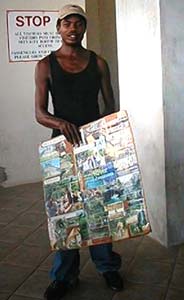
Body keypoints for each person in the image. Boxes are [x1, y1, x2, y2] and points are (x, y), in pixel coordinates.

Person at [35, 4, 123, 300]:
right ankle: (63, 276)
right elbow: (39, 112)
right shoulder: (45, 65)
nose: (73, 29)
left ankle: (107, 266)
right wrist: (61, 123)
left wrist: (100, 135)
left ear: (84, 28)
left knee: (99, 207)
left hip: (94, 145)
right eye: (67, 24)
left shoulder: (98, 62)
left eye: (78, 24)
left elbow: (110, 105)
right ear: (58, 28)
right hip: (61, 146)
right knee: (66, 212)